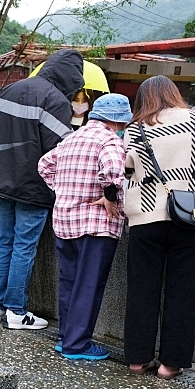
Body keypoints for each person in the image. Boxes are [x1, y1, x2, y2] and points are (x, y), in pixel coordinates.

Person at [0, 49, 85, 330]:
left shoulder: (13, 88)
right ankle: (16, 311)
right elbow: (60, 149)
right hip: (32, 185)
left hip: (1, 178)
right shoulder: (56, 100)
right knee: (23, 246)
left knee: (5, 242)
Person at [123, 75, 195, 380]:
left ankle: (138, 360)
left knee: (142, 288)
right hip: (192, 214)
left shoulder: (135, 128)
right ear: (174, 94)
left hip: (146, 216)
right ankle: (170, 364)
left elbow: (126, 169)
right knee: (184, 290)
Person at [37, 93, 133, 361]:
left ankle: (66, 337)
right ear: (118, 121)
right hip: (96, 223)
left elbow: (44, 165)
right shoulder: (110, 140)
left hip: (65, 220)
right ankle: (77, 345)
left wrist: (63, 190)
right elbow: (114, 173)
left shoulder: (70, 139)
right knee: (89, 284)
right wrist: (110, 199)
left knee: (69, 281)